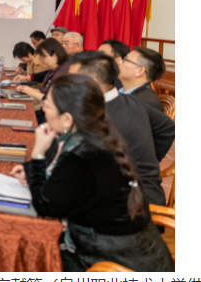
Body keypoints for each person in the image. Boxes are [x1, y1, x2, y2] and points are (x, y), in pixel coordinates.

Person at [24, 74, 173, 272]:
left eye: (47, 105)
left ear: (67, 119)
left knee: (29, 252)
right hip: (142, 251)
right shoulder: (100, 136)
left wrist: (37, 154)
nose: (43, 108)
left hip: (111, 262)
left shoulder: (81, 156)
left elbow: (45, 206)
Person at [69, 51, 176, 208]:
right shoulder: (125, 99)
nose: (67, 85)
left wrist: (146, 162)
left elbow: (168, 128)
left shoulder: (133, 106)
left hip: (135, 204)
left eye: (72, 80)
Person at [16, 39, 70, 123]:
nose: (41, 61)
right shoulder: (54, 69)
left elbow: (55, 102)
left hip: (52, 120)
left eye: (43, 57)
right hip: (45, 112)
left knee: (19, 116)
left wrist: (33, 92)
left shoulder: (63, 74)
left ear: (55, 56)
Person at [118, 47, 166, 112]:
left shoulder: (146, 103)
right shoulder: (120, 92)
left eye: (125, 59)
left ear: (140, 71)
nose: (119, 62)